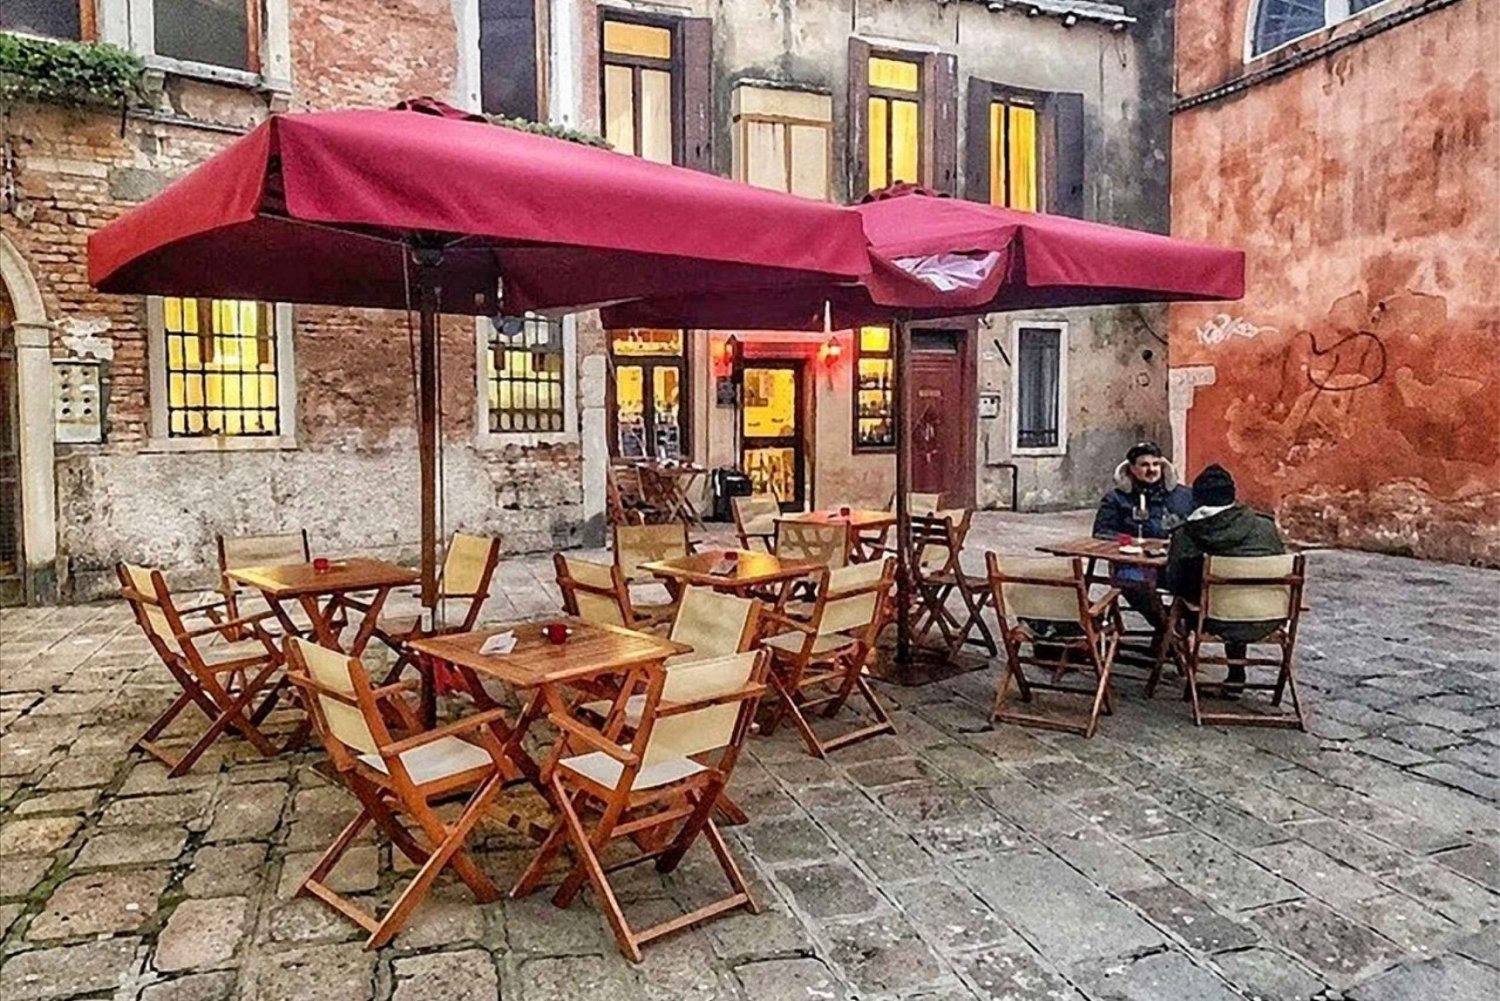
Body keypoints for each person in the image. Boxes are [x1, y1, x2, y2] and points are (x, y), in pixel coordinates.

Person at [1163, 464, 1286, 690]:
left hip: (1215, 618)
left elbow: (1175, 583)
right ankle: (1236, 673)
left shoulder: (1186, 534)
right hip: (1269, 615)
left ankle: (1173, 655)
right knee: (1236, 592)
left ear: (1197, 498)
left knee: (1191, 600)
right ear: (1232, 494)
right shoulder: (1265, 527)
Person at [1091, 442, 1193, 631]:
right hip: (1134, 563)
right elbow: (1101, 532)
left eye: (1155, 464)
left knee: (1198, 582)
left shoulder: (1183, 495)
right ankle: (1167, 627)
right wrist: (1131, 542)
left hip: (1173, 563)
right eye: (1145, 465)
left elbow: (1196, 527)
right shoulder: (1116, 498)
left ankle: (1179, 625)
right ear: (1131, 468)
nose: (1152, 470)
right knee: (1131, 583)